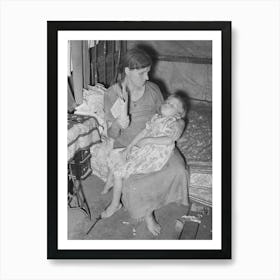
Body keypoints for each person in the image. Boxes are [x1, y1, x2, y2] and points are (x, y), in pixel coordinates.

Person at [103, 48, 189, 236]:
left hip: (157, 140)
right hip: (129, 144)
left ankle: (158, 201)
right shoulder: (113, 95)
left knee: (178, 168)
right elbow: (111, 133)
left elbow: (170, 113)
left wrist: (180, 124)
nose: (147, 77)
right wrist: (118, 123)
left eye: (148, 71)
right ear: (127, 71)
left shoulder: (152, 89)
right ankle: (146, 214)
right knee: (136, 183)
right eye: (142, 73)